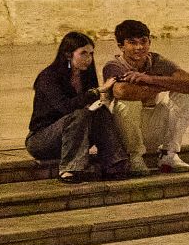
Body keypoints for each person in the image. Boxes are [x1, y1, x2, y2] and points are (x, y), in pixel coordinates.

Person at [26, 32, 131, 181]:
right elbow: (65, 107)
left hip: (74, 136)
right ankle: (70, 169)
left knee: (100, 112)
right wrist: (96, 92)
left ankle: (115, 164)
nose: (88, 58)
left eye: (91, 53)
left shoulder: (85, 75)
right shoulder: (49, 77)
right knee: (79, 115)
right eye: (83, 53)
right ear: (68, 55)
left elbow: (90, 105)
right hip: (42, 140)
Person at [104, 20, 189, 172]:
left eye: (143, 42)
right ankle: (134, 157)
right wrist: (162, 86)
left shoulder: (156, 60)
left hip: (153, 125)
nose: (139, 47)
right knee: (127, 102)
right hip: (126, 132)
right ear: (121, 46)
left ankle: (168, 153)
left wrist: (149, 79)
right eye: (132, 43)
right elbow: (122, 91)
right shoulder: (114, 65)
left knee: (185, 95)